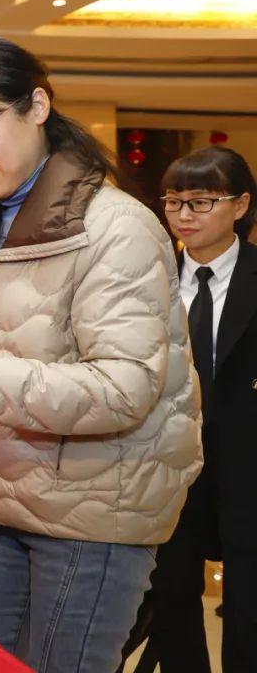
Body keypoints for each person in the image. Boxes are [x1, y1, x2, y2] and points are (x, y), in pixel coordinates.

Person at [0, 37, 202, 673]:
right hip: (1, 501)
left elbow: (123, 388)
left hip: (93, 512)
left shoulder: (115, 227)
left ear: (36, 107)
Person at [123, 146, 257, 673]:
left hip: (247, 464)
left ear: (240, 205)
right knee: (172, 596)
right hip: (167, 461)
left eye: (200, 202)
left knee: (248, 605)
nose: (184, 215)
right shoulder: (146, 279)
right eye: (174, 201)